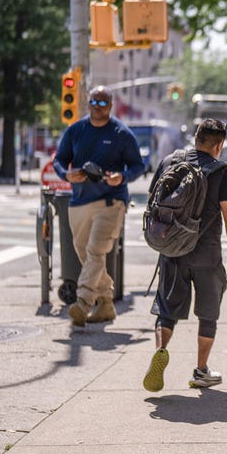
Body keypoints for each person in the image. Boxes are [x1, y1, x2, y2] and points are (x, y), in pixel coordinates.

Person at [142, 118, 227, 392]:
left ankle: (161, 349)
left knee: (167, 310)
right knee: (208, 313)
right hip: (206, 253)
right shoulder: (222, 171)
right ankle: (201, 371)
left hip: (172, 248)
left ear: (196, 137)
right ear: (219, 144)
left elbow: (152, 197)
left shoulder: (170, 162)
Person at [53, 86, 145, 327]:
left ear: (110, 106)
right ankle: (106, 304)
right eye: (93, 102)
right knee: (85, 253)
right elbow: (59, 160)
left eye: (103, 103)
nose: (97, 106)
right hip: (79, 201)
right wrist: (67, 175)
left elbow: (138, 166)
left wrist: (121, 177)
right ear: (88, 103)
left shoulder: (121, 133)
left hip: (110, 201)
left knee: (95, 251)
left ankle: (83, 303)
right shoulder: (75, 130)